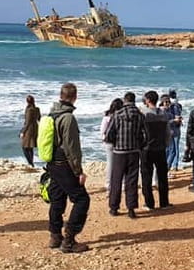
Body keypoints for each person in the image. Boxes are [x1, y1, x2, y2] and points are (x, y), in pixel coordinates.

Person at [41, 83, 90, 253]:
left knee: (57, 199)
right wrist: (78, 171)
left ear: (60, 95)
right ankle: (69, 240)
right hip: (64, 165)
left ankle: (55, 236)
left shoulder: (51, 114)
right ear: (75, 97)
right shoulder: (68, 118)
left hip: (52, 164)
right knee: (82, 199)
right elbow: (72, 148)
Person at [109, 92, 146, 218]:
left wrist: (115, 142)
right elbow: (145, 134)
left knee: (116, 180)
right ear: (134, 101)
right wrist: (140, 145)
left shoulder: (117, 114)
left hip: (119, 152)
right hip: (134, 151)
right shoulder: (140, 115)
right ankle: (131, 209)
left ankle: (114, 207)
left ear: (125, 101)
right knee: (132, 181)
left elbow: (109, 134)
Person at [141, 91, 172, 210]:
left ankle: (149, 203)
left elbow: (141, 132)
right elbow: (168, 133)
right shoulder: (163, 114)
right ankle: (164, 203)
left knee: (146, 177)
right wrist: (166, 144)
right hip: (160, 148)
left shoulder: (144, 114)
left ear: (148, 100)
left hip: (147, 148)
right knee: (162, 176)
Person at [100, 98, 123, 190]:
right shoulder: (121, 117)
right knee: (121, 163)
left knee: (110, 163)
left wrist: (103, 139)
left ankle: (108, 183)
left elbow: (102, 131)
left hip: (108, 142)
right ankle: (122, 184)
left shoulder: (107, 117)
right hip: (119, 142)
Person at [19, 95, 40, 167]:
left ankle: (30, 163)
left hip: (29, 130)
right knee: (30, 147)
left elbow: (27, 122)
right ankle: (31, 162)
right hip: (35, 128)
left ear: (27, 101)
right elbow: (39, 119)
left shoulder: (29, 110)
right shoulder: (37, 109)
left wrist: (22, 132)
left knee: (24, 147)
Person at [165, 89, 183, 173]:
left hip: (169, 128)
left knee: (169, 149)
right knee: (176, 148)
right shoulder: (178, 105)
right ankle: (175, 165)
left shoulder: (168, 105)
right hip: (176, 128)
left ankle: (169, 164)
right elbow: (179, 115)